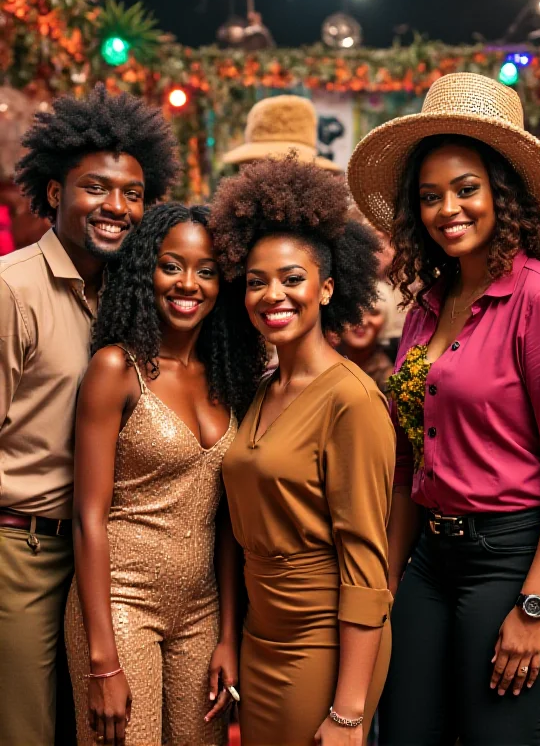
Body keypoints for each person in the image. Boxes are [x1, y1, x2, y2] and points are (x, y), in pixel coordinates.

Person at [348, 72, 540, 746]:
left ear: (501, 195)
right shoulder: (428, 305)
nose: (447, 209)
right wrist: (390, 580)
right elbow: (408, 460)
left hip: (517, 557)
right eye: (430, 197)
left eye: (465, 190)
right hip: (431, 555)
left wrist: (535, 604)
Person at [0, 84, 178, 746]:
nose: (117, 207)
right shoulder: (12, 289)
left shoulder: (127, 299)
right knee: (27, 732)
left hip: (101, 560)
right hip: (22, 550)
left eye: (132, 193)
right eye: (96, 188)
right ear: (54, 193)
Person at [209, 155, 394, 746]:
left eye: (292, 279)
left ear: (328, 287)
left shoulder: (353, 400)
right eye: (257, 281)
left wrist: (348, 712)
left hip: (324, 642)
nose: (273, 295)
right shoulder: (263, 389)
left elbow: (368, 563)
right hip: (261, 637)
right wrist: (232, 638)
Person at [64, 203, 265, 746]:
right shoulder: (116, 367)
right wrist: (102, 658)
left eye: (205, 271)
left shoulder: (230, 377)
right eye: (172, 265)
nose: (188, 284)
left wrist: (227, 634)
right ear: (143, 271)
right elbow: (88, 516)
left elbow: (226, 521)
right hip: (119, 603)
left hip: (201, 613)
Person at [337, 291, 392, 392]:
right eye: (353, 313)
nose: (363, 321)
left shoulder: (390, 379)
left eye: (374, 313)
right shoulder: (318, 365)